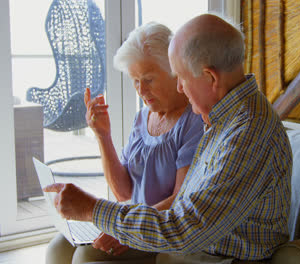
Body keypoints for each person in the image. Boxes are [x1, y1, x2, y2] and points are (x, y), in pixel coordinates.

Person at [44, 13, 292, 263]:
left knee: (88, 258)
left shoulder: (247, 132)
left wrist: (93, 209)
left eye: (182, 78)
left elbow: (186, 229)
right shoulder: (223, 118)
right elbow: (180, 207)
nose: (180, 88)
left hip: (219, 256)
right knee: (62, 249)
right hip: (193, 248)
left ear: (210, 78)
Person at [45, 21, 204, 264]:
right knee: (59, 247)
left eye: (149, 79)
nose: (141, 89)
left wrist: (125, 227)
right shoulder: (142, 118)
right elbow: (123, 192)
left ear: (174, 72)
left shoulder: (193, 121)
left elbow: (179, 201)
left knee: (86, 256)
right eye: (135, 80)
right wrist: (102, 135)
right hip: (130, 220)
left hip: (158, 229)